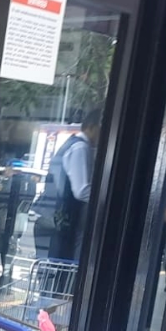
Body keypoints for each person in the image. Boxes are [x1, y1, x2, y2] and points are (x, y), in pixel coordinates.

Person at [45, 110, 101, 261]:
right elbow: (81, 190)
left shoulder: (72, 143)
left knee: (56, 268)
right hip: (68, 218)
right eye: (100, 128)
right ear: (91, 127)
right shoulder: (80, 148)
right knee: (67, 265)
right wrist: (105, 199)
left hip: (57, 216)